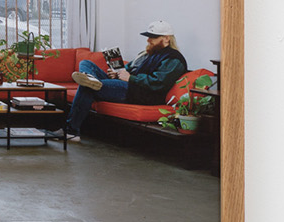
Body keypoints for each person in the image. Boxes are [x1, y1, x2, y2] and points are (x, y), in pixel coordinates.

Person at [46, 19, 188, 140]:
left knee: (86, 86)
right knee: (85, 63)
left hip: (138, 94)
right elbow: (129, 69)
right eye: (148, 36)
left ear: (167, 38)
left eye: (153, 37)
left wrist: (130, 78)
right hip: (126, 84)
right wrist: (117, 73)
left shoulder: (174, 59)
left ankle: (71, 131)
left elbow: (157, 83)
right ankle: (91, 79)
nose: (148, 40)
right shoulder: (147, 54)